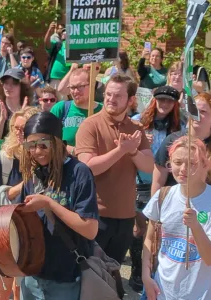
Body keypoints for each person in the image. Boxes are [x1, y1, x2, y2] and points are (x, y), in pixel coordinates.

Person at [0, 112, 99, 299]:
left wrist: (49, 203)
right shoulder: (32, 175)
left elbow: (90, 229)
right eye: (31, 145)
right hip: (32, 275)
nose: (37, 151)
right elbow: (19, 225)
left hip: (65, 278)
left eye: (43, 144)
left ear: (57, 141)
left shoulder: (79, 173)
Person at [141, 137, 211, 300]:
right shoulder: (163, 196)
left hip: (200, 295)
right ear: (169, 164)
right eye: (178, 162)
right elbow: (149, 239)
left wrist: (196, 227)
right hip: (162, 291)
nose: (183, 169)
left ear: (205, 165)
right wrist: (146, 276)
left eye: (192, 163)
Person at [75, 74, 153, 268]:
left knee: (113, 272)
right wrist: (120, 151)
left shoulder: (136, 127)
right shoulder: (90, 125)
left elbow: (149, 166)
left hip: (126, 216)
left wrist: (133, 152)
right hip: (95, 216)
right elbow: (88, 167)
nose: (110, 99)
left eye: (117, 95)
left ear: (130, 100)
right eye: (108, 94)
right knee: (91, 274)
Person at [129, 85, 184, 290]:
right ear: (154, 100)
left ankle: (152, 270)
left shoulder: (179, 127)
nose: (164, 104)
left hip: (165, 184)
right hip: (140, 181)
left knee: (158, 230)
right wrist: (141, 139)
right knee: (139, 228)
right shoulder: (138, 120)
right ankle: (137, 270)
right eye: (161, 100)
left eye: (169, 101)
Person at [0, 106, 39, 300]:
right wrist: (25, 183)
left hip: (35, 234)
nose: (19, 132)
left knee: (22, 293)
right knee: (0, 293)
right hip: (6, 232)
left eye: (24, 128)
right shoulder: (4, 159)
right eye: (16, 128)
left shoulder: (45, 159)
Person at [152, 93, 211, 196]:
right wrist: (157, 207)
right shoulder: (172, 140)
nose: (197, 115)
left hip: (208, 207)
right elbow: (158, 179)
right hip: (175, 204)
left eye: (203, 112)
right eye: (194, 110)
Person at [50, 65, 103, 154]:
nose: (75, 91)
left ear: (91, 85)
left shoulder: (103, 111)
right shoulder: (60, 109)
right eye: (72, 87)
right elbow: (48, 138)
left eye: (80, 86)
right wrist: (73, 151)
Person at [0, 69, 33, 139]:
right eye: (6, 83)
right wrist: (2, 120)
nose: (9, 87)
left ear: (22, 87)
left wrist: (22, 117)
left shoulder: (29, 111)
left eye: (14, 83)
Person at [44, 22, 70, 97]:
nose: (64, 33)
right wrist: (49, 31)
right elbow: (46, 43)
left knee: (62, 104)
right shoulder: (57, 45)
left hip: (65, 81)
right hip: (53, 80)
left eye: (66, 32)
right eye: (63, 32)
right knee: (49, 100)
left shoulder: (73, 48)